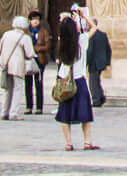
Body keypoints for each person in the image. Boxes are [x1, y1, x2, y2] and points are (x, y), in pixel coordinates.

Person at [53, 9, 96, 151]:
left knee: (64, 114)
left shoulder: (61, 44)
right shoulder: (81, 41)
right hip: (79, 80)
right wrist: (84, 17)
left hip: (65, 80)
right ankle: (87, 142)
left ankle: (68, 143)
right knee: (85, 113)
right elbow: (94, 28)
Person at [0, 16, 34, 119]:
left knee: (7, 89)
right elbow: (30, 54)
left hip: (5, 64)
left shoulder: (6, 34)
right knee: (17, 88)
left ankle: (4, 112)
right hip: (17, 66)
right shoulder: (25, 37)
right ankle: (13, 113)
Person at [26, 9, 49, 114]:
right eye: (33, 19)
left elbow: (48, 46)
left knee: (38, 83)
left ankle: (39, 107)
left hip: (39, 59)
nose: (35, 21)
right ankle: (28, 106)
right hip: (28, 60)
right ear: (30, 21)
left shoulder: (43, 32)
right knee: (28, 84)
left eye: (37, 19)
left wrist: (36, 49)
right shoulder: (26, 32)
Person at [85, 18, 111, 108]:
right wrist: (107, 62)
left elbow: (90, 50)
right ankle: (101, 97)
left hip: (94, 62)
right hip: (101, 62)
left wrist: (85, 63)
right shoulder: (103, 35)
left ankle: (96, 99)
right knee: (97, 80)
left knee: (93, 82)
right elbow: (108, 49)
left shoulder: (90, 36)